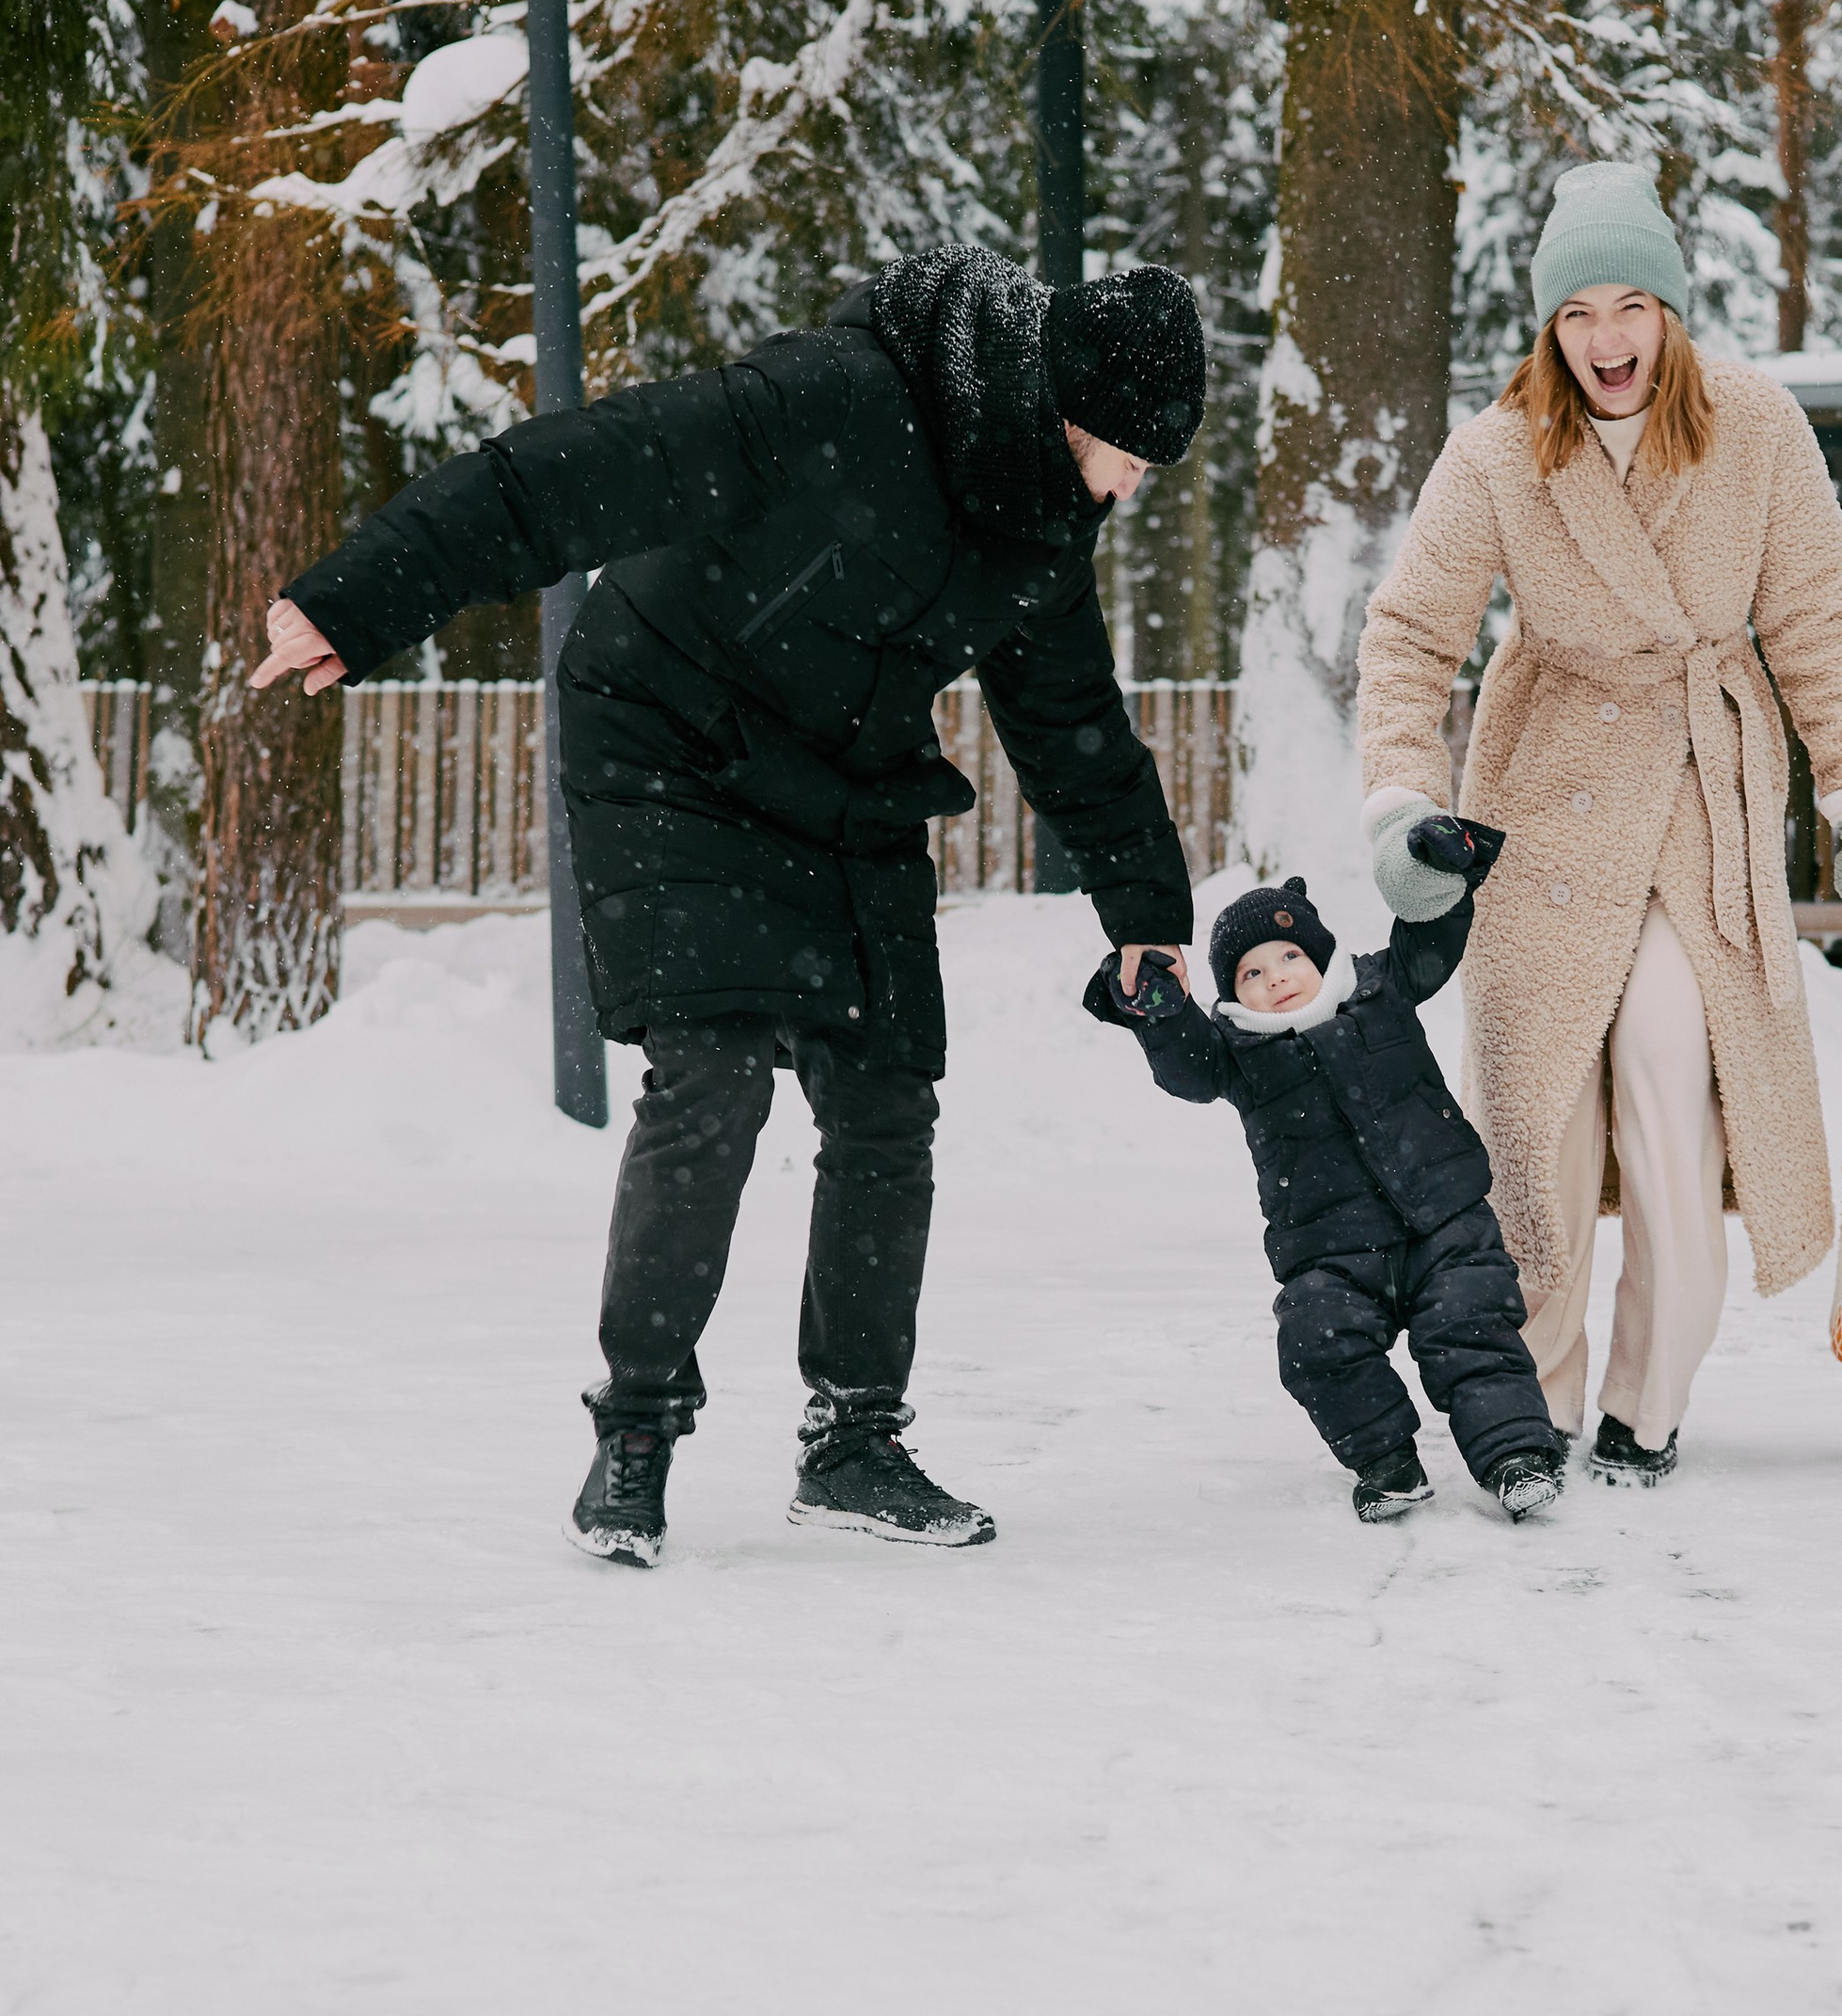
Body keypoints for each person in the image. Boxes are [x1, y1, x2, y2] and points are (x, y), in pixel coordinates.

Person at [253, 243, 1205, 1565]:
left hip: (849, 778)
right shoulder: (832, 397)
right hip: (671, 747)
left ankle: (858, 1440)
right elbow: (566, 474)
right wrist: (361, 598)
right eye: (1118, 451)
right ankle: (635, 1429)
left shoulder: (1039, 517)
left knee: (886, 1098)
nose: (1125, 486)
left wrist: (1148, 905)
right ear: (1049, 406)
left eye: (1145, 468)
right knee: (712, 1079)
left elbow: (1071, 721)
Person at [1356, 163, 1842, 1483]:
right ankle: (1527, 1401)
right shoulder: (1499, 451)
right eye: (1578, 315)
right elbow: (1410, 635)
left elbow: (1816, 621)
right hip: (1543, 793)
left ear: (1670, 311)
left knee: (1674, 1078)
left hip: (1696, 799)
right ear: (1548, 329)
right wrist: (1400, 803)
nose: (1606, 341)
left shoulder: (1761, 429)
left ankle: (1644, 1406)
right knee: (1535, 1115)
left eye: (1632, 307)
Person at [1083, 842, 1564, 1524]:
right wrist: (1158, 1008)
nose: (1275, 978)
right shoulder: (1238, 1054)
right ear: (1232, 994)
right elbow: (1184, 1065)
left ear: (1320, 957)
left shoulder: (1381, 990)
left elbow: (1431, 936)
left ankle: (1515, 1456)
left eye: (1289, 958)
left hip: (1445, 1223)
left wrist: (1438, 870)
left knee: (1471, 1328)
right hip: (1330, 1251)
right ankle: (1386, 1462)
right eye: (1251, 973)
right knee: (1314, 1341)